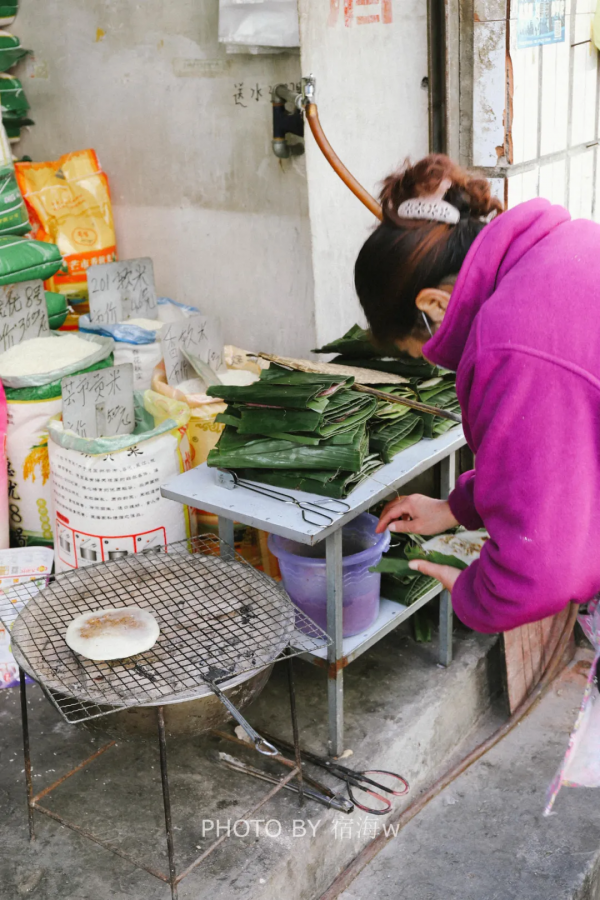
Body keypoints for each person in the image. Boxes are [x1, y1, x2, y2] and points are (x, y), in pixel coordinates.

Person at [354, 153, 600, 634]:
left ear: (432, 304)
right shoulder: (559, 250)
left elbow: (543, 566)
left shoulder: (510, 339)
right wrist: (455, 508)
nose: (432, 358)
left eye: (415, 346)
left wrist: (475, 594)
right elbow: (563, 460)